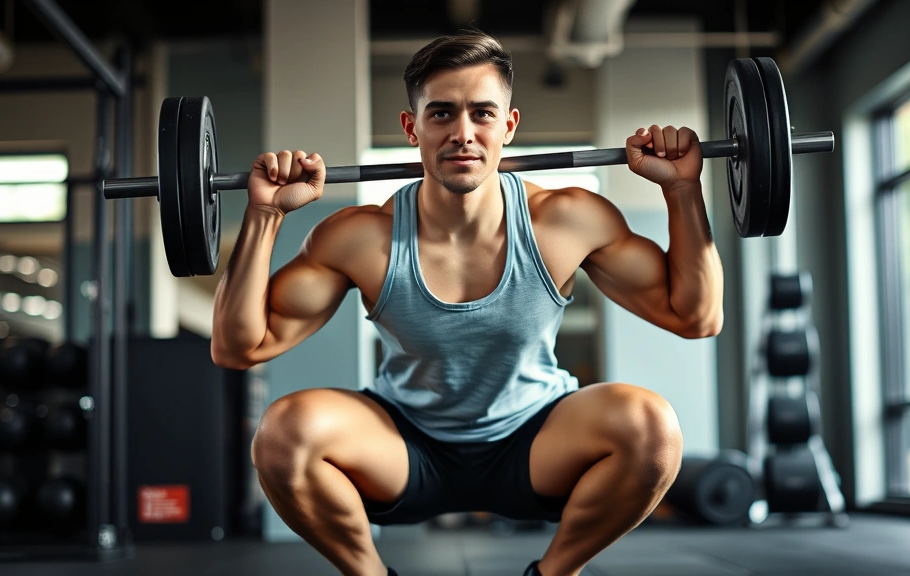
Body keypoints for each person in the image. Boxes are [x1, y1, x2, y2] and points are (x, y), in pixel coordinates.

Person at [211, 29, 723, 576]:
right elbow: (241, 346)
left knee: (652, 427)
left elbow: (696, 316)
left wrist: (682, 191)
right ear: (412, 127)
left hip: (534, 439)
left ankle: (554, 574)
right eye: (441, 114)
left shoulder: (566, 221)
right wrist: (264, 216)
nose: (463, 134)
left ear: (509, 124)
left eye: (482, 113)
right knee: (283, 434)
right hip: (404, 445)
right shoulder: (362, 238)